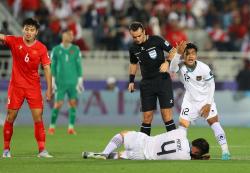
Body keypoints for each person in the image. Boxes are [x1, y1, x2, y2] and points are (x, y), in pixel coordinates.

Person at [0, 18, 53, 158]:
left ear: (36, 32)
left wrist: (49, 88)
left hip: (33, 87)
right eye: (26, 29)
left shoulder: (41, 48)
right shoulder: (14, 41)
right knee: (11, 116)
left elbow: (47, 68)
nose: (29, 32)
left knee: (38, 117)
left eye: (32, 30)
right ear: (23, 29)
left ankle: (42, 150)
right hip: (16, 86)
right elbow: (2, 36)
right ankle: (6, 150)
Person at [169, 42, 231, 160]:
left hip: (205, 99)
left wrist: (208, 103)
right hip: (190, 100)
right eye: (187, 54)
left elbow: (211, 85)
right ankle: (181, 152)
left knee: (214, 122)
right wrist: (177, 54)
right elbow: (172, 69)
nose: (191, 56)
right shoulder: (181, 66)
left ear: (196, 55)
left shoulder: (204, 68)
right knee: (182, 126)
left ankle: (225, 151)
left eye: (193, 53)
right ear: (184, 55)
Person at [128, 21, 176, 136]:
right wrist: (131, 81)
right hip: (147, 84)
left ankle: (175, 142)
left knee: (166, 115)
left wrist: (167, 62)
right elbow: (133, 64)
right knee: (147, 117)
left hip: (162, 81)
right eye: (134, 37)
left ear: (144, 31)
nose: (137, 39)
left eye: (139, 36)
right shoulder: (133, 48)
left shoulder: (156, 40)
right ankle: (142, 146)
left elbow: (173, 50)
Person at [82, 128, 210, 160]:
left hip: (144, 141)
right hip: (142, 156)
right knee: (120, 155)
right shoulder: (186, 157)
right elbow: (192, 156)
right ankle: (105, 155)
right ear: (197, 152)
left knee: (122, 135)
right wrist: (201, 157)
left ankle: (104, 153)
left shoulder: (181, 133)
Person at [48, 29, 83, 135]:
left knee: (73, 104)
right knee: (58, 104)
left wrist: (80, 80)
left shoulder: (76, 49)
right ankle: (52, 127)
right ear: (63, 35)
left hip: (73, 82)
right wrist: (53, 80)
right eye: (69, 34)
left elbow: (78, 65)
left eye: (72, 35)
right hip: (61, 82)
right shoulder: (56, 49)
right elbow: (52, 66)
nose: (72, 36)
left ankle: (71, 128)